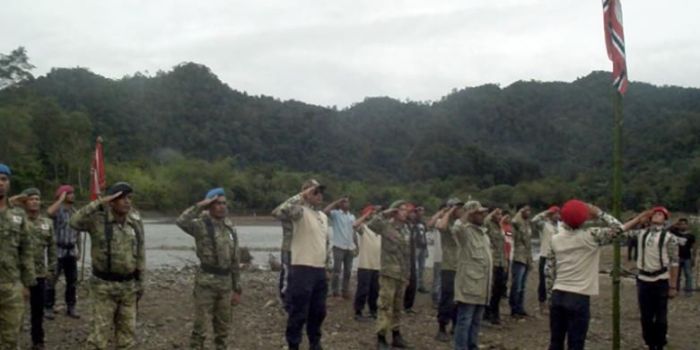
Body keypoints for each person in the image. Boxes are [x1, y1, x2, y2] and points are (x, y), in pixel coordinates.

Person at [545, 200, 640, 350]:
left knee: (556, 342)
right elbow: (619, 229)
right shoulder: (592, 235)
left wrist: (550, 297)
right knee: (576, 343)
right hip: (578, 295)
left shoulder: (555, 239)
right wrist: (600, 213)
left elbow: (549, 270)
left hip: (558, 293)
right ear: (583, 219)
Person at [70, 182, 145, 350]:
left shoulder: (135, 220)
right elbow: (74, 222)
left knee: (127, 337)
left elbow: (140, 251)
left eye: (129, 198)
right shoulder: (98, 220)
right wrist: (98, 203)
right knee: (99, 337)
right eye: (121, 198)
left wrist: (141, 282)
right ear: (111, 201)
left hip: (129, 287)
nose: (127, 202)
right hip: (103, 287)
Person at [176, 188, 242, 350]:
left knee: (223, 330)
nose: (222, 207)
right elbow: (181, 221)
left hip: (226, 284)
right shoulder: (200, 225)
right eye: (217, 203)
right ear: (210, 205)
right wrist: (201, 205)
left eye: (224, 203)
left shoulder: (230, 227)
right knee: (200, 328)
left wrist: (237, 288)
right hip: (206, 283)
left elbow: (235, 259)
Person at [272, 179, 330, 350]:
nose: (319, 195)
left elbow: (325, 243)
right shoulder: (299, 213)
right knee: (298, 311)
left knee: (319, 312)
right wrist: (302, 196)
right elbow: (278, 212)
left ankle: (315, 342)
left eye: (320, 192)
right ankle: (294, 344)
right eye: (315, 192)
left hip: (319, 269)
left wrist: (328, 267)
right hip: (302, 267)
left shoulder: (323, 217)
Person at [357, 200, 413, 350]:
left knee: (397, 306)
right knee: (385, 305)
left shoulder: (406, 229)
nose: (405, 212)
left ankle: (396, 335)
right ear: (395, 211)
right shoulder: (386, 225)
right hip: (389, 272)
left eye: (406, 210)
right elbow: (372, 224)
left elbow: (407, 254)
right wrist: (386, 212)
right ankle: (381, 337)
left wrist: (407, 275)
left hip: (401, 274)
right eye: (401, 209)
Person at [625, 206, 679, 350]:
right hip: (643, 279)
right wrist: (638, 219)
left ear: (665, 219)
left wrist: (673, 286)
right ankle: (650, 343)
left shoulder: (670, 238)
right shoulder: (641, 234)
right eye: (655, 213)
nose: (657, 215)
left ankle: (660, 343)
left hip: (661, 279)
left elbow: (674, 262)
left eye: (660, 214)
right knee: (646, 316)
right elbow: (621, 231)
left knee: (661, 317)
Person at [15, 188, 57, 350]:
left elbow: (52, 248)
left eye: (37, 199)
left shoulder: (47, 223)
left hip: (39, 273)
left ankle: (37, 341)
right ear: (25, 202)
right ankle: (13, 341)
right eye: (31, 199)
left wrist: (52, 269)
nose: (34, 202)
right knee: (16, 311)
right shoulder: (16, 221)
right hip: (18, 274)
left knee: (38, 311)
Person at [0, 164, 36, 349]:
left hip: (12, 286)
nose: (0, 183)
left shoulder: (18, 215)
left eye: (4, 179)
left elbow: (26, 251)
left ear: (9, 183)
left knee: (11, 338)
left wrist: (27, 284)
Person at [452, 201, 492, 350]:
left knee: (476, 321)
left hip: (482, 285)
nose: (483, 215)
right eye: (479, 213)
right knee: (465, 320)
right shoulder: (465, 232)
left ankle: (472, 345)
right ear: (470, 215)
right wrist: (467, 214)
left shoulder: (483, 233)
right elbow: (456, 228)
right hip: (469, 285)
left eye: (483, 212)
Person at [46, 184, 82, 319]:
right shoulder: (57, 210)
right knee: (51, 280)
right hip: (57, 250)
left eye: (73, 193)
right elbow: (48, 213)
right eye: (69, 193)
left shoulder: (75, 212)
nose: (73, 195)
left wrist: (79, 250)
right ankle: (48, 306)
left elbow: (78, 233)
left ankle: (71, 306)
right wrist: (60, 199)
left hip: (71, 251)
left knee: (72, 281)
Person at [434, 198, 465, 342]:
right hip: (448, 266)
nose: (460, 210)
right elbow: (440, 226)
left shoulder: (460, 223)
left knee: (459, 298)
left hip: (461, 265)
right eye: (458, 208)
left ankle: (456, 325)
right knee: (447, 298)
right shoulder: (446, 222)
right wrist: (449, 211)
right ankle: (442, 327)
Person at [352, 205, 382, 321]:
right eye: (372, 213)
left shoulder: (379, 230)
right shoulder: (364, 227)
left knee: (375, 290)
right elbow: (354, 225)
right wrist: (365, 216)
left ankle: (373, 310)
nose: (375, 215)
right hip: (365, 264)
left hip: (377, 265)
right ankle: (358, 311)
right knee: (363, 289)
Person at [324, 196, 356, 299]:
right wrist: (336, 202)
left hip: (349, 247)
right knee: (336, 270)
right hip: (338, 246)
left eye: (347, 202)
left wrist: (356, 245)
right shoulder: (336, 214)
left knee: (348, 271)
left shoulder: (352, 216)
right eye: (344, 202)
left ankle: (345, 291)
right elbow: (325, 211)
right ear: (340, 204)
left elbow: (353, 232)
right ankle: (335, 291)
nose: (346, 204)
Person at [532, 206, 560, 314]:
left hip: (557, 256)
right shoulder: (544, 225)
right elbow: (534, 220)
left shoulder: (561, 226)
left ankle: (553, 303)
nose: (557, 216)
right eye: (555, 214)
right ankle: (542, 304)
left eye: (558, 214)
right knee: (543, 282)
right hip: (545, 255)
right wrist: (546, 212)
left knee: (556, 281)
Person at [483, 208, 506, 325]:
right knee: (490, 289)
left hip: (501, 260)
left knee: (499, 289)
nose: (500, 216)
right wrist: (491, 214)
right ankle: (487, 314)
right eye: (497, 214)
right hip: (492, 260)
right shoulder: (488, 224)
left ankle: (495, 313)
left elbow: (502, 244)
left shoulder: (499, 226)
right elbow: (485, 222)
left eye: (501, 214)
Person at [510, 205, 533, 317]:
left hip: (526, 256)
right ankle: (514, 308)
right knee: (517, 284)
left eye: (529, 210)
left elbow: (528, 242)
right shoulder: (516, 223)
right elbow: (513, 233)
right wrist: (518, 214)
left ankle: (520, 307)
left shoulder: (527, 223)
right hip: (518, 256)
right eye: (525, 210)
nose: (528, 212)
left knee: (522, 285)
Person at [403, 205, 423, 313]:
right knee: (403, 281)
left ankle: (408, 306)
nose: (413, 214)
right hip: (403, 256)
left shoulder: (415, 225)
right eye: (411, 212)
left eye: (414, 212)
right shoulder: (403, 225)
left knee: (412, 281)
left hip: (412, 255)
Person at [427, 205, 448, 308]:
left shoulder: (452, 222)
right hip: (439, 256)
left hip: (449, 258)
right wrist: (440, 213)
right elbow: (429, 224)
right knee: (438, 279)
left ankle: (442, 299)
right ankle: (436, 299)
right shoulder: (439, 221)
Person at [670, 218, 695, 296]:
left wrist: (693, 257)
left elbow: (694, 247)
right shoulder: (675, 233)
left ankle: (688, 291)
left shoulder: (691, 236)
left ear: (687, 225)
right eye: (681, 224)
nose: (683, 226)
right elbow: (668, 229)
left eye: (684, 224)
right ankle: (676, 290)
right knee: (677, 275)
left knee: (688, 275)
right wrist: (676, 223)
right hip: (677, 257)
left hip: (687, 257)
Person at [414, 207, 430, 294]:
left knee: (422, 268)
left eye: (422, 210)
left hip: (423, 246)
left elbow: (425, 234)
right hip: (416, 246)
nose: (421, 212)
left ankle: (420, 285)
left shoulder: (422, 222)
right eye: (419, 210)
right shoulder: (413, 222)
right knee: (415, 268)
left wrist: (426, 248)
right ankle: (415, 286)